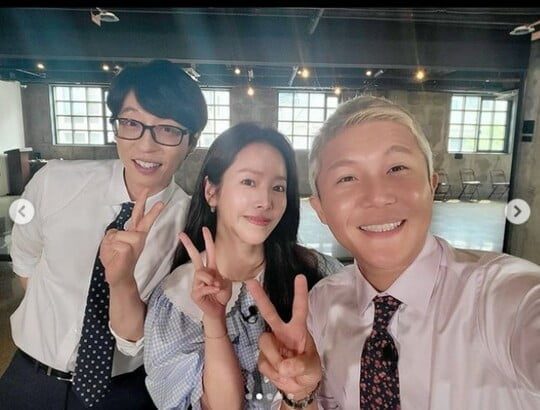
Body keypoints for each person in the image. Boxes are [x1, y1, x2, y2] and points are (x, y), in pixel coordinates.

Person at [247, 96, 540, 409]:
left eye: (397, 168)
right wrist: (300, 394)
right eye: (347, 178)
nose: (378, 195)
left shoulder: (504, 298)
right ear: (320, 209)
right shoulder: (323, 304)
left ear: (432, 185)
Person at [0, 59, 208, 409]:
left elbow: (146, 336)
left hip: (124, 391)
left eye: (168, 129)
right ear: (116, 127)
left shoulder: (190, 229)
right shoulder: (54, 183)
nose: (146, 145)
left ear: (192, 141)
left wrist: (123, 281)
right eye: (131, 123)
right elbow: (25, 262)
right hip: (29, 381)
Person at [143, 122, 342, 410]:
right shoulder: (176, 298)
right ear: (211, 191)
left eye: (278, 187)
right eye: (249, 182)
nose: (265, 201)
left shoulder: (318, 274)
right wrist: (215, 323)